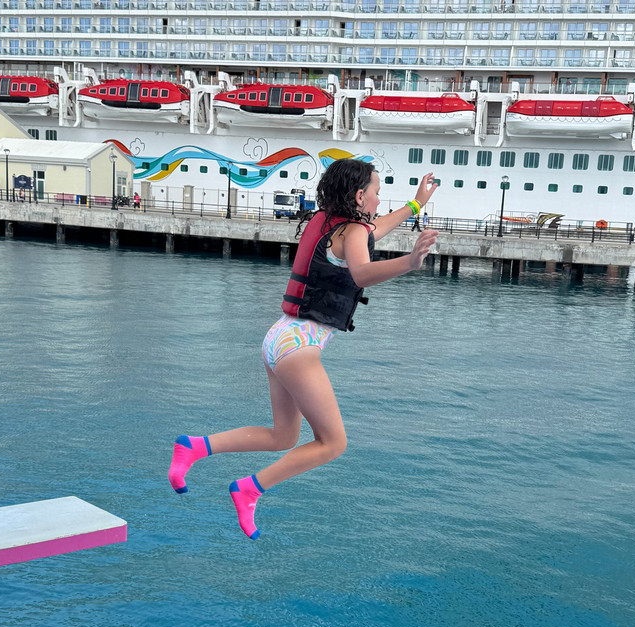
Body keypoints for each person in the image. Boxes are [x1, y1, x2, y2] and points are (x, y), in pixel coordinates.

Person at [168, 159, 439, 539]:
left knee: (284, 437)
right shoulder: (353, 232)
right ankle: (249, 488)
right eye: (376, 192)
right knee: (332, 443)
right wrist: (410, 262)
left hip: (280, 336)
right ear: (359, 196)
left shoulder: (327, 220)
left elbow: (372, 230)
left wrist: (415, 205)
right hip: (299, 345)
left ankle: (194, 448)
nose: (379, 200)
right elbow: (361, 272)